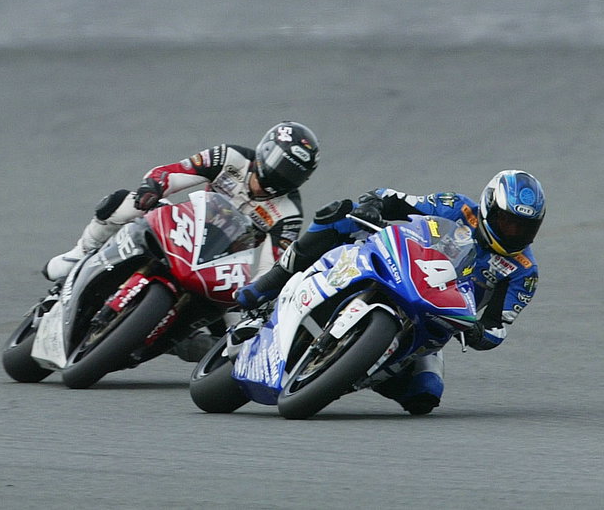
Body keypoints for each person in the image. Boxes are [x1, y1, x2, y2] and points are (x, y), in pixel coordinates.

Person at [234, 169, 545, 416]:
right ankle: (267, 286)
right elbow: (396, 199)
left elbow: (497, 326)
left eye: (523, 227)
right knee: (340, 215)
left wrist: (479, 334)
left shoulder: (522, 271)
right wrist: (372, 205)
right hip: (403, 268)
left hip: (437, 318)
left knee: (425, 396)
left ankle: (351, 371)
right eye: (507, 221)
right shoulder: (458, 207)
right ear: (489, 206)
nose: (513, 232)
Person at [43, 121, 320, 284]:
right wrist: (152, 188)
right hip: (184, 227)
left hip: (223, 264)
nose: (280, 175)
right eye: (278, 164)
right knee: (120, 202)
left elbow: (269, 270)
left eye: (291, 172)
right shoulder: (230, 157)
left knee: (238, 332)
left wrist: (254, 294)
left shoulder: (288, 214)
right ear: (264, 150)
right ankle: (80, 253)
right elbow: (173, 173)